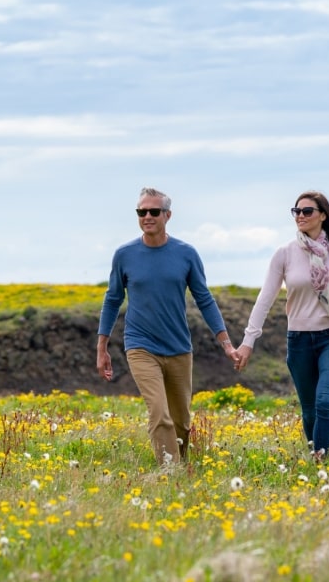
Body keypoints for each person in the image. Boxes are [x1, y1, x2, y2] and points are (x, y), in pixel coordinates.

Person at [96, 187, 239, 465]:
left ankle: (182, 465)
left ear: (167, 215)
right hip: (140, 346)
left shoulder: (186, 254)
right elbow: (112, 300)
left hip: (178, 348)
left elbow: (204, 299)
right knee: (159, 413)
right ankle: (170, 473)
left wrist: (226, 343)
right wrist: (102, 347)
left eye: (154, 211)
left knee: (181, 421)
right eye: (141, 211)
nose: (147, 216)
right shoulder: (124, 255)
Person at [234, 191, 329, 461]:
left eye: (307, 211)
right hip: (300, 340)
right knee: (309, 410)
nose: (300, 216)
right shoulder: (285, 254)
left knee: (325, 401)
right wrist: (248, 341)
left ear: (323, 215)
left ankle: (320, 461)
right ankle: (315, 451)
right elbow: (264, 299)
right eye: (297, 211)